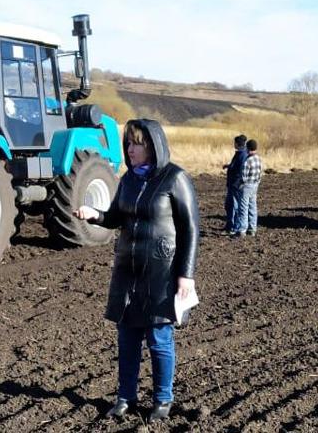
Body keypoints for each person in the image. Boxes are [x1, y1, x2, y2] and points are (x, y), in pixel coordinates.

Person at [74, 119, 200, 423]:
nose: (130, 149)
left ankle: (162, 400)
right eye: (128, 143)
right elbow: (116, 217)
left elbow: (191, 228)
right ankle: (125, 397)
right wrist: (96, 215)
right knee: (127, 339)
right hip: (127, 272)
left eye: (137, 143)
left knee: (159, 340)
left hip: (161, 273)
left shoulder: (175, 178)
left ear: (153, 145)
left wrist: (186, 273)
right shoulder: (128, 179)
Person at [232, 139, 263, 238]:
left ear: (247, 148)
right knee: (253, 206)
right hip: (255, 185)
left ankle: (242, 230)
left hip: (247, 186)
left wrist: (240, 185)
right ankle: (252, 229)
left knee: (243, 208)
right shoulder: (259, 159)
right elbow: (261, 172)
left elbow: (243, 177)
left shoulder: (248, 161)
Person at [223, 134, 247, 234]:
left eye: (235, 143)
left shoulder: (242, 155)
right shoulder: (240, 153)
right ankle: (229, 225)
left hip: (235, 185)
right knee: (229, 205)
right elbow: (235, 166)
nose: (234, 144)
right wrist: (228, 166)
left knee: (234, 206)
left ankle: (234, 227)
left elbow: (241, 171)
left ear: (237, 144)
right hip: (232, 184)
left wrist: (236, 184)